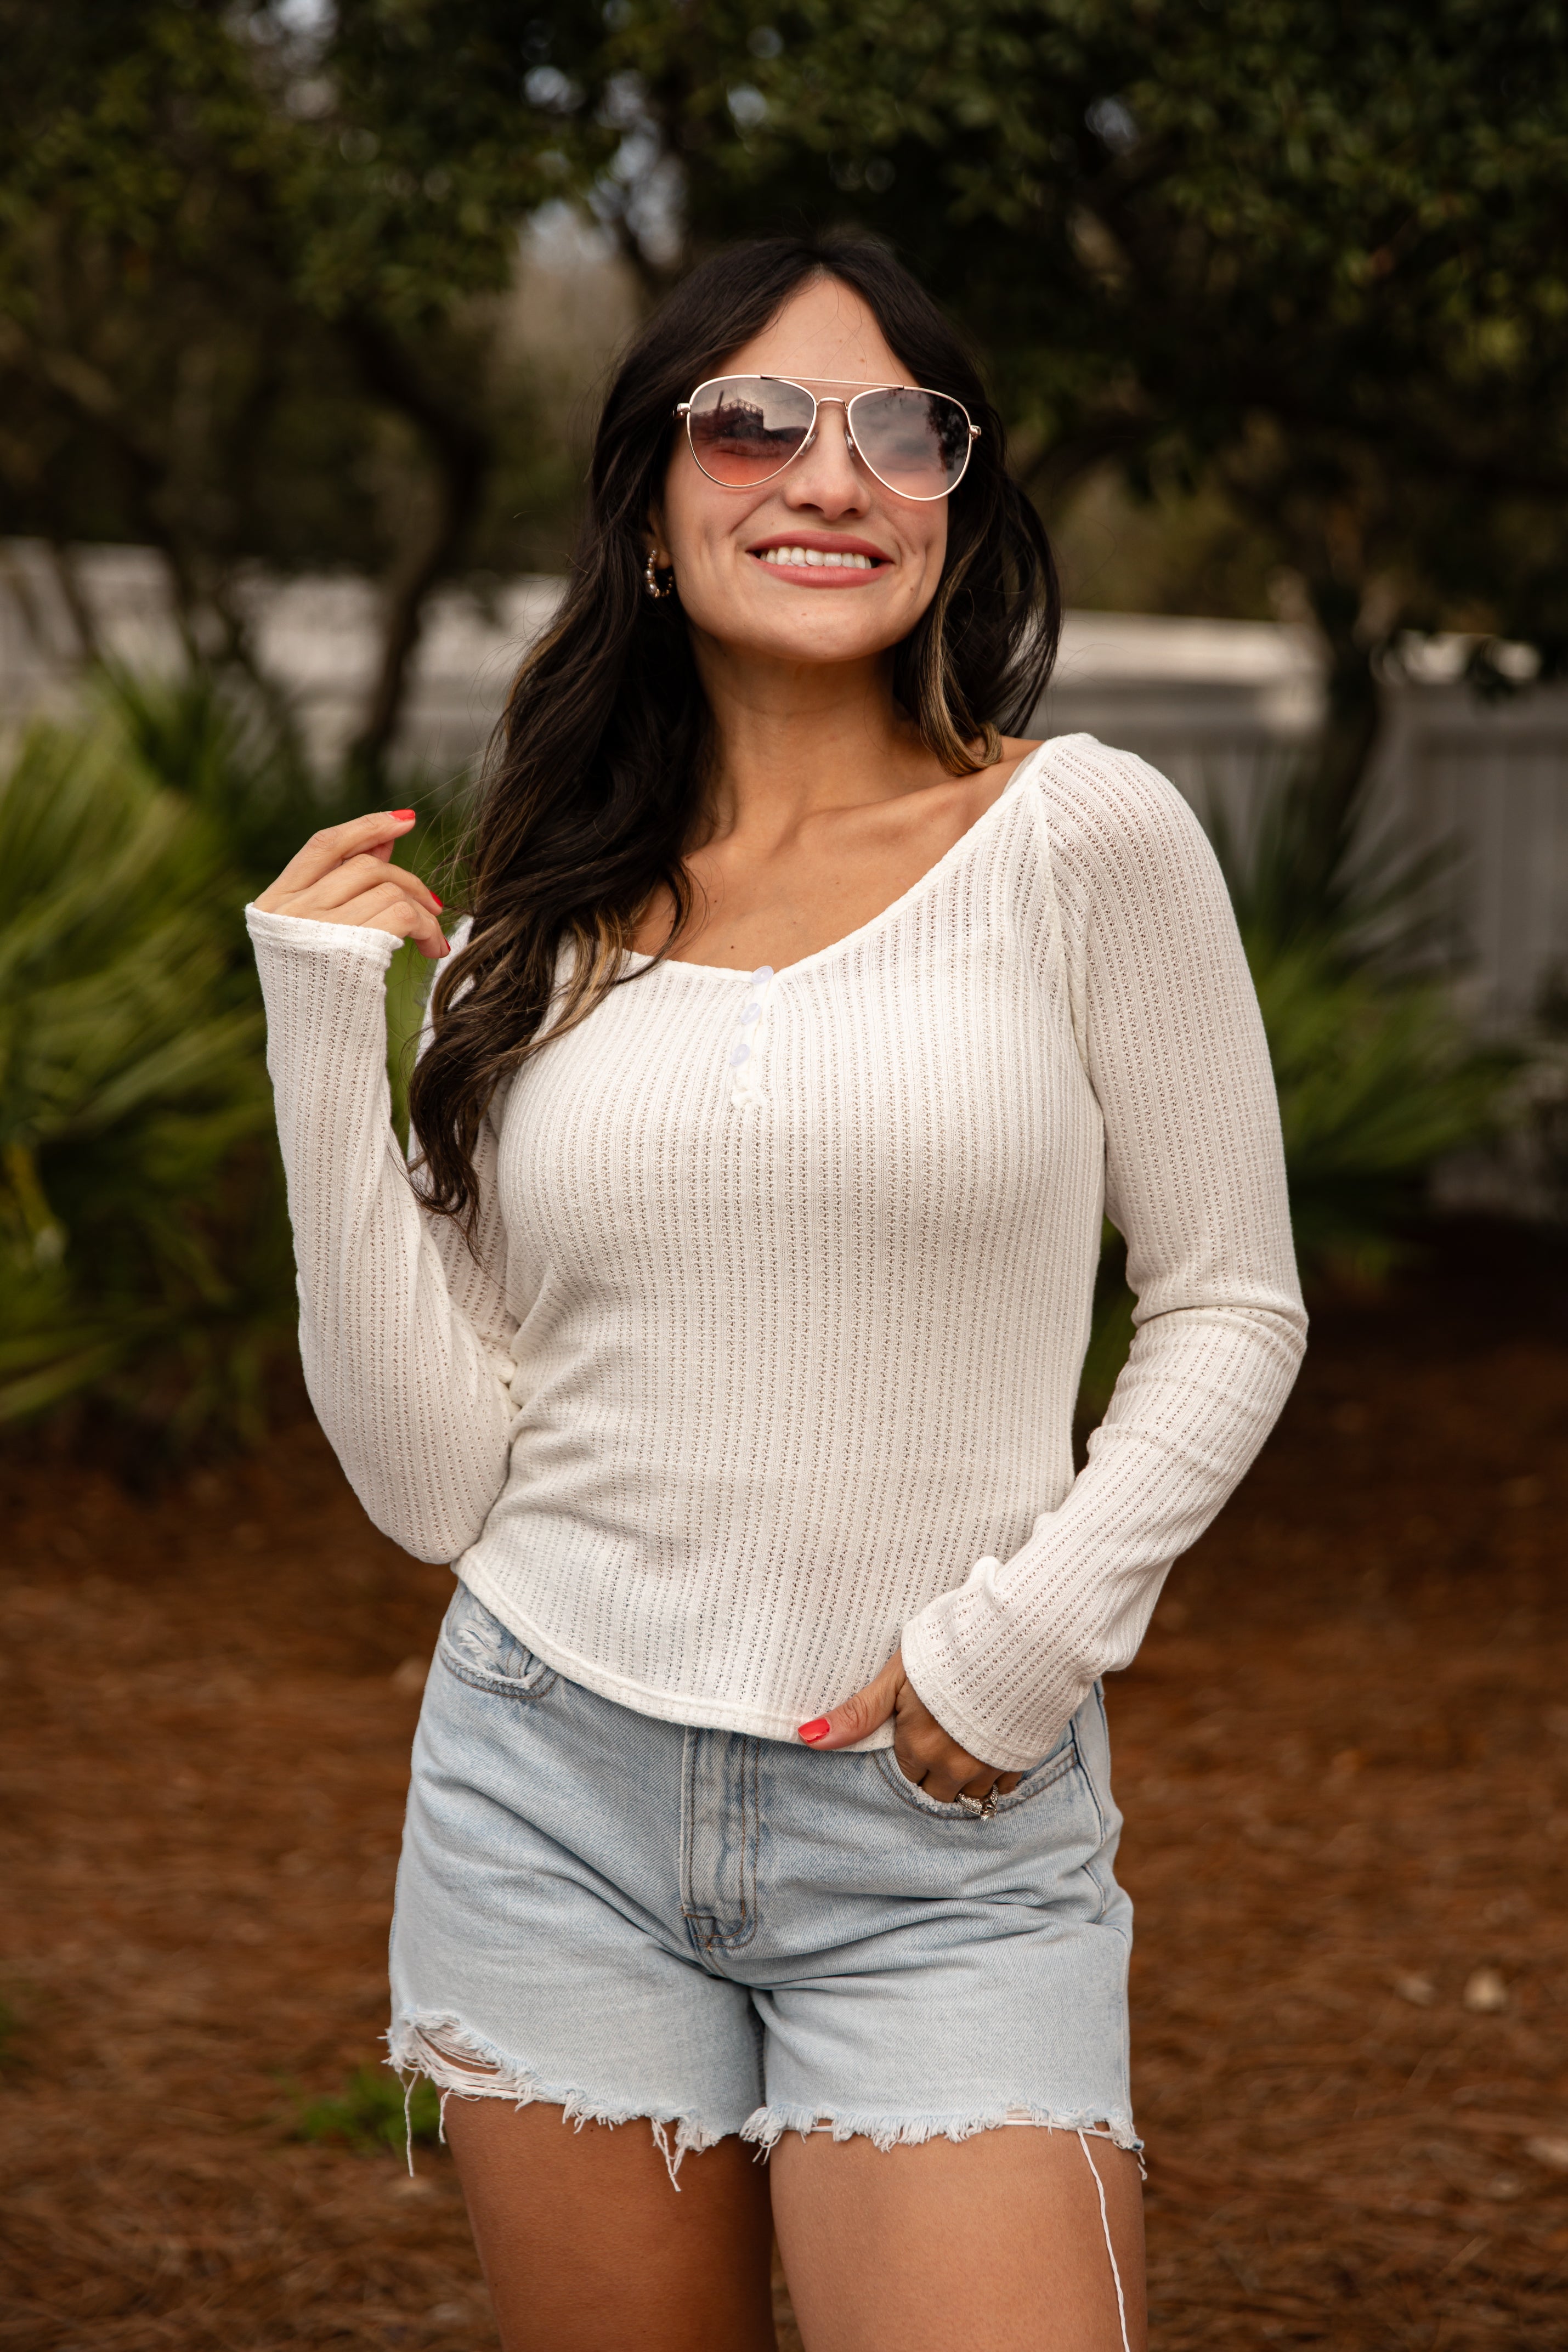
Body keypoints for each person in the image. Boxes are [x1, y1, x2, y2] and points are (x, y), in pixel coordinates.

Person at [249, 236, 1305, 2352]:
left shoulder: (1082, 836)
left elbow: (1229, 1303)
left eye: (897, 428)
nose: (829, 472)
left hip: (944, 1825)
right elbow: (430, 1478)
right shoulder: (533, 926)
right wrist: (311, 1031)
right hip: (546, 1790)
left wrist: (1021, 1646)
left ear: (951, 506)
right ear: (652, 498)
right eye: (753, 420)